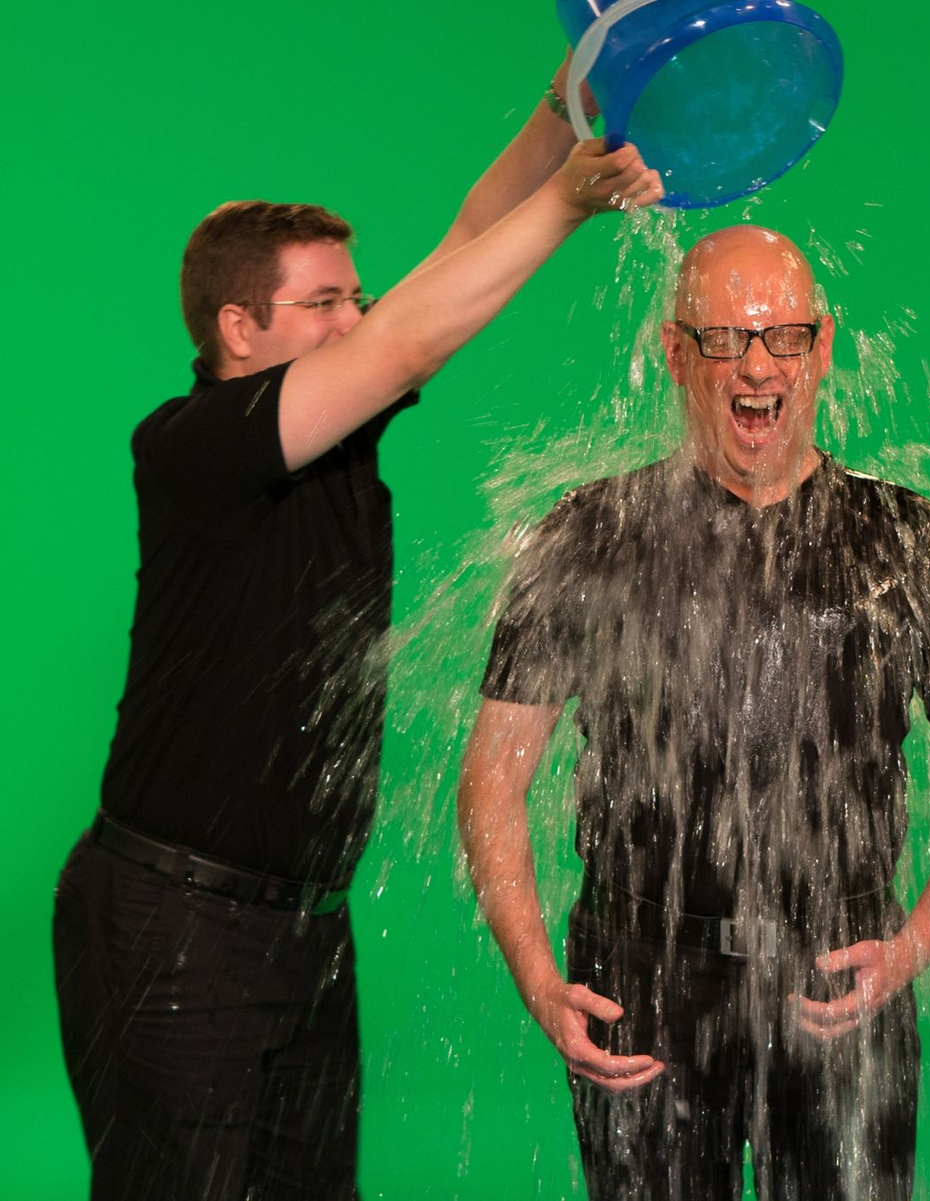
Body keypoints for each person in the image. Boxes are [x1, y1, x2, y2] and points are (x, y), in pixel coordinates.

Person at [52, 54, 663, 1201]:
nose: (355, 315)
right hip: (171, 924)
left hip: (301, 931)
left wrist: (563, 105)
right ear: (239, 327)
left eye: (355, 294)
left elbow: (462, 247)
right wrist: (571, 204)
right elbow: (414, 340)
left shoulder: (336, 428)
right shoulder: (195, 445)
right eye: (323, 302)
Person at [458, 225, 930, 1199]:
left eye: (783, 338)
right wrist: (534, 970)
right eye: (725, 340)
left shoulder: (904, 537)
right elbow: (493, 774)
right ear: (678, 354)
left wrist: (912, 946)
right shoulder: (588, 534)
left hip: (842, 974)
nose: (756, 366)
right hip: (641, 981)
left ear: (823, 347)